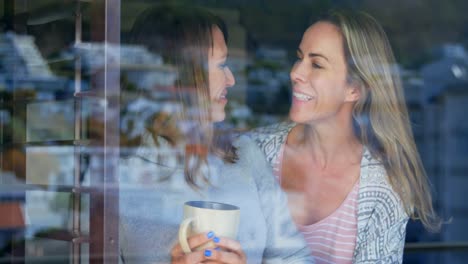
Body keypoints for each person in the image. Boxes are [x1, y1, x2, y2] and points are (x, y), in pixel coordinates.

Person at [118, 4, 313, 264]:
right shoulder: (114, 175)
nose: (231, 79)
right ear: (182, 75)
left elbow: (296, 257)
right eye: (221, 65)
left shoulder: (245, 154)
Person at [249, 10, 440, 263]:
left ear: (354, 89)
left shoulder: (385, 190)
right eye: (299, 58)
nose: (296, 72)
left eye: (316, 64)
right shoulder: (256, 150)